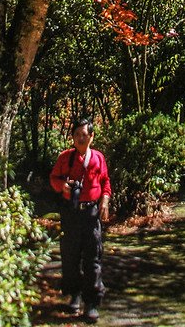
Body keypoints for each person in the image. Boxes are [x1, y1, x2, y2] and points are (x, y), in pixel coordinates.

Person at [50, 118, 111, 323]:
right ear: (73, 137)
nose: (80, 138)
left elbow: (105, 182)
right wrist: (63, 187)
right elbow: (54, 178)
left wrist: (105, 200)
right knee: (70, 256)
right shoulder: (65, 158)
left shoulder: (98, 158)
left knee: (93, 257)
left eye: (84, 134)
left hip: (91, 213)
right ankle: (74, 294)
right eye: (77, 134)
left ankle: (91, 303)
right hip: (71, 213)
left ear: (91, 136)